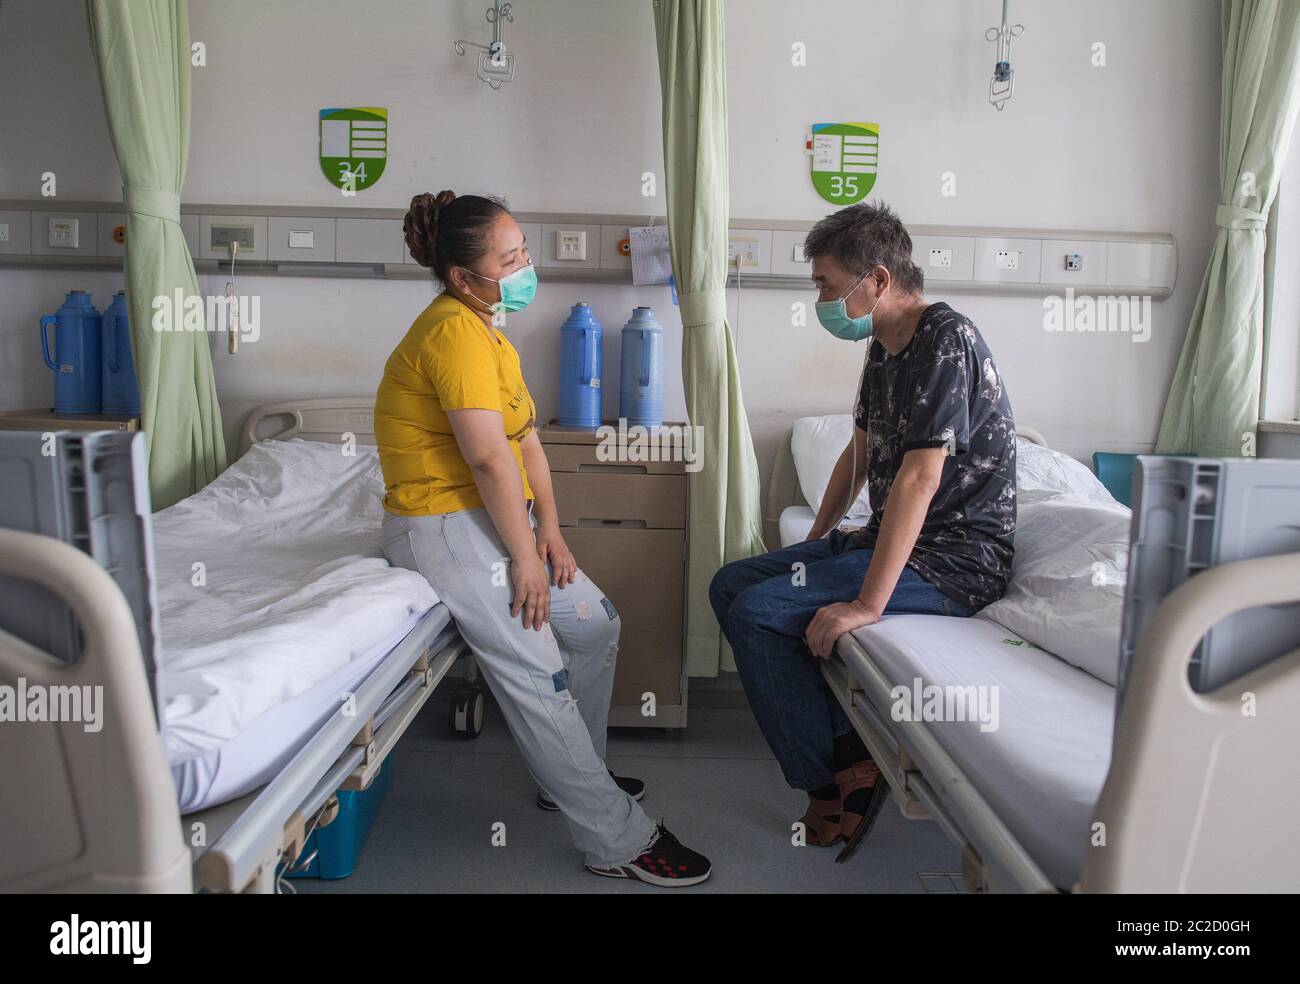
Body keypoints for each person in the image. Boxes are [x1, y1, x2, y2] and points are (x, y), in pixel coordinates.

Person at [376, 190, 710, 886]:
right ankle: (616, 838)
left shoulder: (490, 332)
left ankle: (572, 779)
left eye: (523, 248)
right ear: (463, 278)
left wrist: (548, 533)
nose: (526, 264)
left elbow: (525, 439)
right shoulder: (451, 333)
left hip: (496, 520)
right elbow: (486, 457)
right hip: (440, 525)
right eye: (509, 259)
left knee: (593, 625)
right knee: (541, 669)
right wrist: (523, 559)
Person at [709, 201, 1016, 854]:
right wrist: (819, 540)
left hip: (954, 563)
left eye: (824, 282)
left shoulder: (945, 340)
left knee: (761, 613)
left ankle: (826, 779)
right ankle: (848, 751)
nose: (818, 297)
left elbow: (918, 480)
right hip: (887, 542)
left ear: (876, 279)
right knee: (731, 584)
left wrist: (866, 604)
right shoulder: (885, 346)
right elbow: (859, 450)